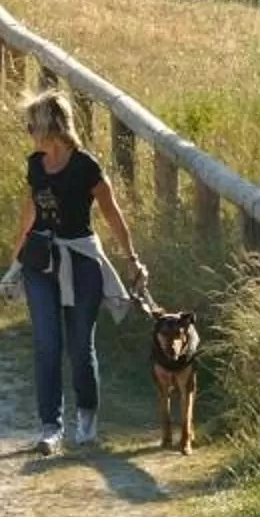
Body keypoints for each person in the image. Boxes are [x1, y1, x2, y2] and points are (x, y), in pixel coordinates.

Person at [14, 89, 153, 454]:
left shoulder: (86, 166)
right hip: (41, 261)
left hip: (81, 261)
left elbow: (111, 213)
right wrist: (16, 257)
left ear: (51, 127)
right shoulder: (35, 165)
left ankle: (87, 419)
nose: (28, 132)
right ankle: (50, 427)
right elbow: (30, 210)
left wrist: (131, 257)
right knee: (47, 344)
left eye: (33, 125)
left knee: (79, 344)